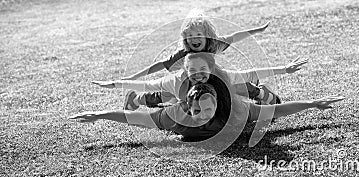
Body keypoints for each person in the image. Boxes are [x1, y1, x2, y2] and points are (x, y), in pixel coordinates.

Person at [70, 83, 345, 140]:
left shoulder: (234, 110)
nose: (206, 115)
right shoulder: (175, 116)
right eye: (200, 111)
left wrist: (311, 103)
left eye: (210, 109)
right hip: (182, 90)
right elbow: (134, 119)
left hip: (232, 91)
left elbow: (276, 110)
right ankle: (142, 96)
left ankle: (257, 88)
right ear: (188, 107)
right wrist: (99, 114)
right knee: (165, 93)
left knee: (250, 92)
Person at [120, 11, 278, 110]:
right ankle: (135, 98)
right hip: (188, 83)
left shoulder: (214, 44)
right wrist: (133, 77)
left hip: (212, 79)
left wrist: (257, 30)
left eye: (197, 35)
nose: (193, 40)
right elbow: (160, 65)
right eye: (189, 37)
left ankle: (265, 95)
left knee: (234, 87)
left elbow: (235, 36)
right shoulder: (183, 53)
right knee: (168, 96)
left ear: (207, 35)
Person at [93, 53, 308, 110]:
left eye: (203, 69)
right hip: (180, 94)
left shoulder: (221, 76)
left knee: (239, 89)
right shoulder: (177, 80)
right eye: (192, 70)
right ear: (185, 70)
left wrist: (284, 69)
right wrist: (115, 84)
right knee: (175, 101)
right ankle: (136, 101)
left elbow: (251, 72)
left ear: (211, 68)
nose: (198, 73)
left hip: (229, 91)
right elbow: (148, 84)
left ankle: (264, 94)